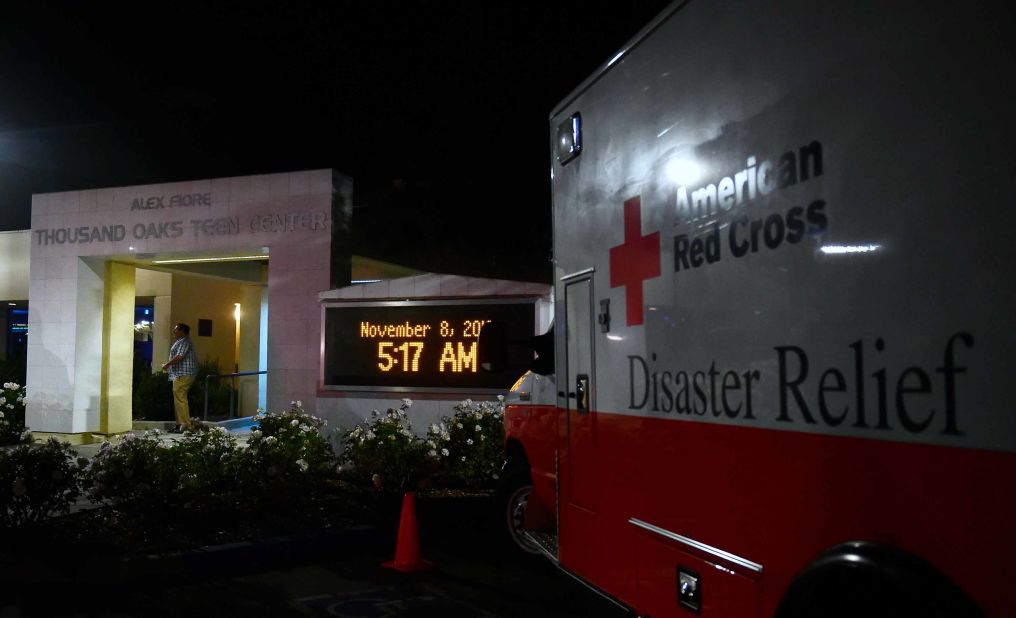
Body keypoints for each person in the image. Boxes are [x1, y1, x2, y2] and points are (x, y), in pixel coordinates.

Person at [162, 323, 199, 432]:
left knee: (180, 397)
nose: (174, 332)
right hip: (180, 373)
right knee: (179, 397)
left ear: (182, 331)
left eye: (176, 330)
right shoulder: (181, 341)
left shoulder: (185, 341)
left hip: (184, 373)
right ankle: (180, 424)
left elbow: (179, 356)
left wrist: (167, 365)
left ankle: (185, 424)